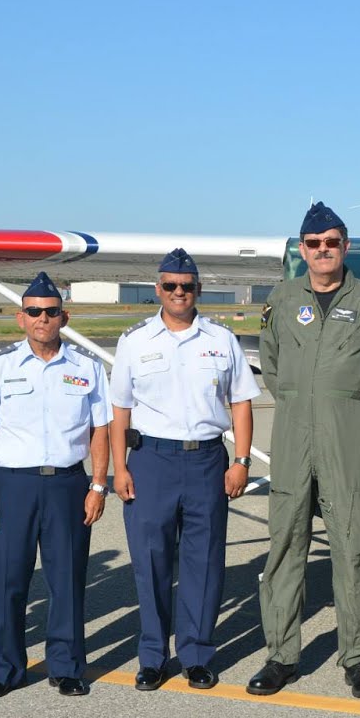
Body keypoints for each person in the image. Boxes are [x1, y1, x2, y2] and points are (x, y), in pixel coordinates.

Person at [249, 204, 360, 700]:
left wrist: (351, 408)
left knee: (354, 544)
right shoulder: (281, 299)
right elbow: (271, 364)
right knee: (285, 543)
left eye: (331, 242)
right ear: (302, 249)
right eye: (314, 244)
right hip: (293, 435)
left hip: (348, 436)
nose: (323, 251)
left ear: (345, 246)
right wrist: (302, 401)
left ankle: (355, 658)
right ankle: (281, 656)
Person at [111, 249, 259, 691]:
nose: (179, 292)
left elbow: (241, 402)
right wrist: (120, 468)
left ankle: (196, 655)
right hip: (151, 460)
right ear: (158, 289)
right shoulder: (135, 341)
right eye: (171, 285)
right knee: (151, 560)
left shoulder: (221, 340)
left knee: (205, 561)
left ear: (198, 290)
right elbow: (119, 410)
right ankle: (153, 656)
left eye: (187, 286)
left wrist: (242, 461)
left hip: (206, 461)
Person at [0, 272, 111, 698]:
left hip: (67, 485)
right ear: (21, 318)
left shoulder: (86, 368)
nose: (42, 319)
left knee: (67, 580)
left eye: (50, 312)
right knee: (9, 581)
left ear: (64, 317)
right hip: (13, 486)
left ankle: (66, 666)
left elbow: (100, 429)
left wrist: (98, 485)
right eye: (33, 311)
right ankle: (6, 669)